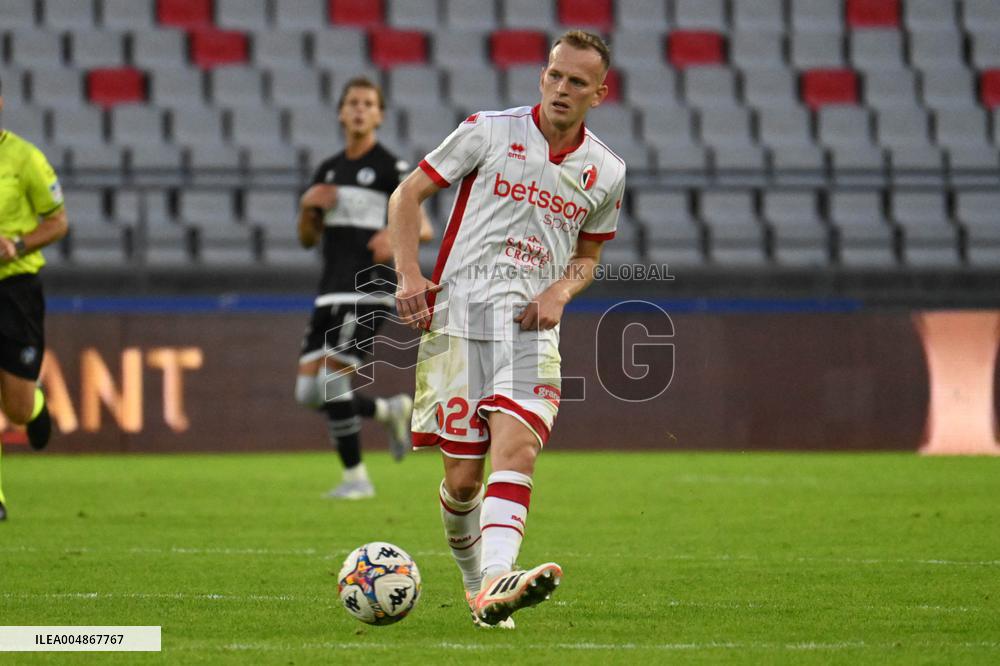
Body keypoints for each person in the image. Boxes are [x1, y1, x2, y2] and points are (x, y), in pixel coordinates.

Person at [388, 31, 626, 627]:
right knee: (463, 481)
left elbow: (589, 257)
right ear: (542, 76)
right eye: (554, 75)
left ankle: (498, 576)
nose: (561, 89)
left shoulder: (607, 171)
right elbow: (407, 194)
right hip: (458, 324)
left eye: (576, 81)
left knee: (517, 448)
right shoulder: (488, 130)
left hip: (530, 331)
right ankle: (479, 587)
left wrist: (560, 290)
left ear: (600, 92)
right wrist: (409, 275)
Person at [295, 76, 433, 500]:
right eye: (352, 103)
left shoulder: (392, 168)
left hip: (366, 290)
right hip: (328, 290)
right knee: (307, 393)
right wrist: (307, 208)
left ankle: (357, 479)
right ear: (341, 113)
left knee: (331, 384)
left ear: (379, 115)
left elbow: (424, 228)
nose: (359, 109)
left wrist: (393, 236)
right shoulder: (328, 171)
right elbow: (306, 239)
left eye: (367, 103)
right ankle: (387, 409)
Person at [0, 76, 67, 521]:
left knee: (16, 406)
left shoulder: (24, 158)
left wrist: (17, 245)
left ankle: (36, 403)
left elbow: (58, 222)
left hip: (15, 288)